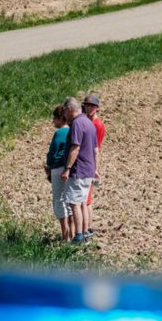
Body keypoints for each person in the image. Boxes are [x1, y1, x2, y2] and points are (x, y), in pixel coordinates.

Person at [59, 98, 97, 244]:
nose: (64, 116)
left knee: (75, 204)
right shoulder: (89, 123)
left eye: (65, 112)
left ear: (69, 109)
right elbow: (95, 149)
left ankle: (79, 236)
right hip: (88, 169)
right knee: (82, 203)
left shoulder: (76, 124)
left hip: (78, 170)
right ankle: (83, 233)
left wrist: (67, 168)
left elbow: (75, 148)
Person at [44, 106, 71, 242]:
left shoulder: (60, 132)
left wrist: (49, 165)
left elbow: (54, 150)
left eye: (54, 118)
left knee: (59, 201)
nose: (53, 121)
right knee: (69, 201)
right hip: (69, 168)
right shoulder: (72, 131)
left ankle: (64, 235)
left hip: (58, 168)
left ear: (61, 119)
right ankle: (72, 233)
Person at [82, 93, 104, 238]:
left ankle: (88, 228)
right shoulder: (88, 122)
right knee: (86, 198)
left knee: (87, 199)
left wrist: (94, 168)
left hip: (88, 163)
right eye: (86, 105)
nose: (88, 108)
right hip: (86, 162)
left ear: (96, 108)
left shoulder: (97, 125)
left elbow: (96, 148)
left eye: (91, 106)